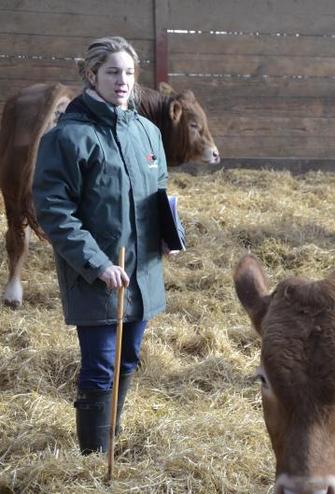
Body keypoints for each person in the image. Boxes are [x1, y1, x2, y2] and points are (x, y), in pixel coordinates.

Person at [32, 36, 173, 454]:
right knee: (99, 367)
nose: (122, 81)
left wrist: (169, 236)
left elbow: (160, 191)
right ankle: (93, 458)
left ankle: (111, 437)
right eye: (112, 72)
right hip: (96, 277)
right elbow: (55, 211)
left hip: (142, 273)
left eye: (129, 72)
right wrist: (97, 263)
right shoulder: (68, 138)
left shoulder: (147, 132)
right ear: (91, 75)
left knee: (129, 359)